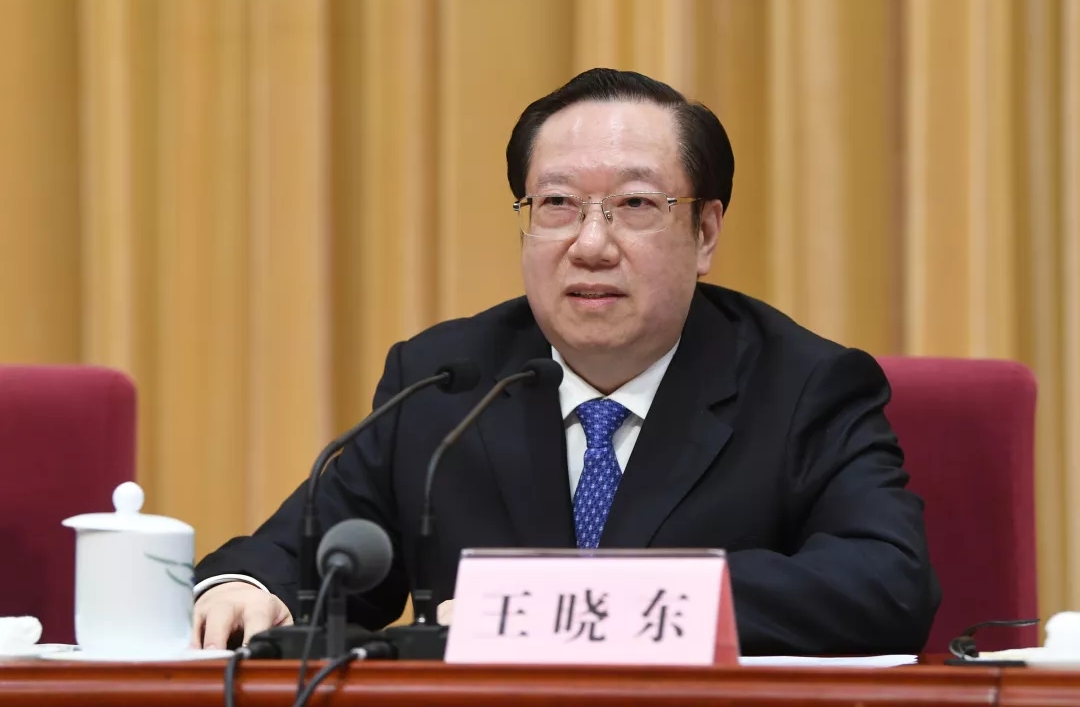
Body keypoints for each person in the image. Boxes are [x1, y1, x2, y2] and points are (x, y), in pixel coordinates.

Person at [192, 68, 940, 655]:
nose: (590, 244)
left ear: (706, 233)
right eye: (556, 204)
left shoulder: (803, 386)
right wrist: (244, 585)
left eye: (636, 205)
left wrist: (577, 603)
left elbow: (888, 584)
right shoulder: (446, 381)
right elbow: (307, 555)